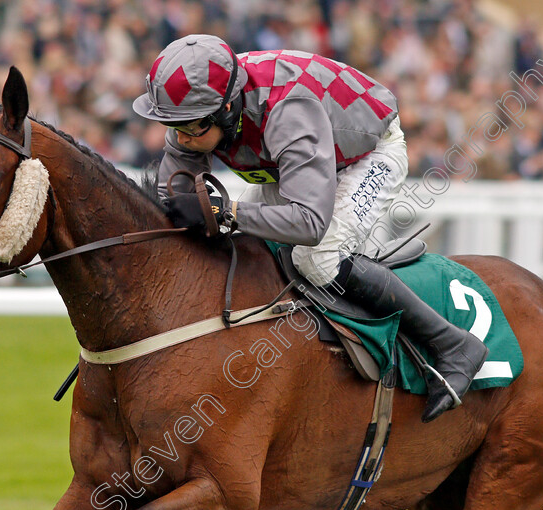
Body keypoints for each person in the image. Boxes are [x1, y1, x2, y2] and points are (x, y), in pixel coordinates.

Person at [133, 34, 487, 422]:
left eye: (190, 127)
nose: (180, 137)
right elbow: (176, 196)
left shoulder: (289, 109)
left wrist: (225, 213)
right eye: (172, 125)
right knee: (247, 248)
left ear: (227, 107)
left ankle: (452, 343)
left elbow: (309, 223)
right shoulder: (199, 111)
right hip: (291, 163)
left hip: (365, 156)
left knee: (316, 258)